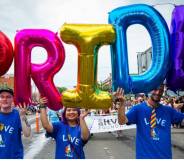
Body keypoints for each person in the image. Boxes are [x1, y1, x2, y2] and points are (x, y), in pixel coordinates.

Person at [115, 85, 184, 159]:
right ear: (149, 89)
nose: (158, 92)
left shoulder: (168, 111)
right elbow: (121, 121)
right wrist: (122, 104)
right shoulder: (138, 109)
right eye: (155, 89)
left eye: (161, 90)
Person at [0, 87, 31, 159]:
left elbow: (27, 134)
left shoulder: (18, 114)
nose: (5, 99)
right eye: (2, 97)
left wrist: (22, 117)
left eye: (8, 97)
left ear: (12, 99)